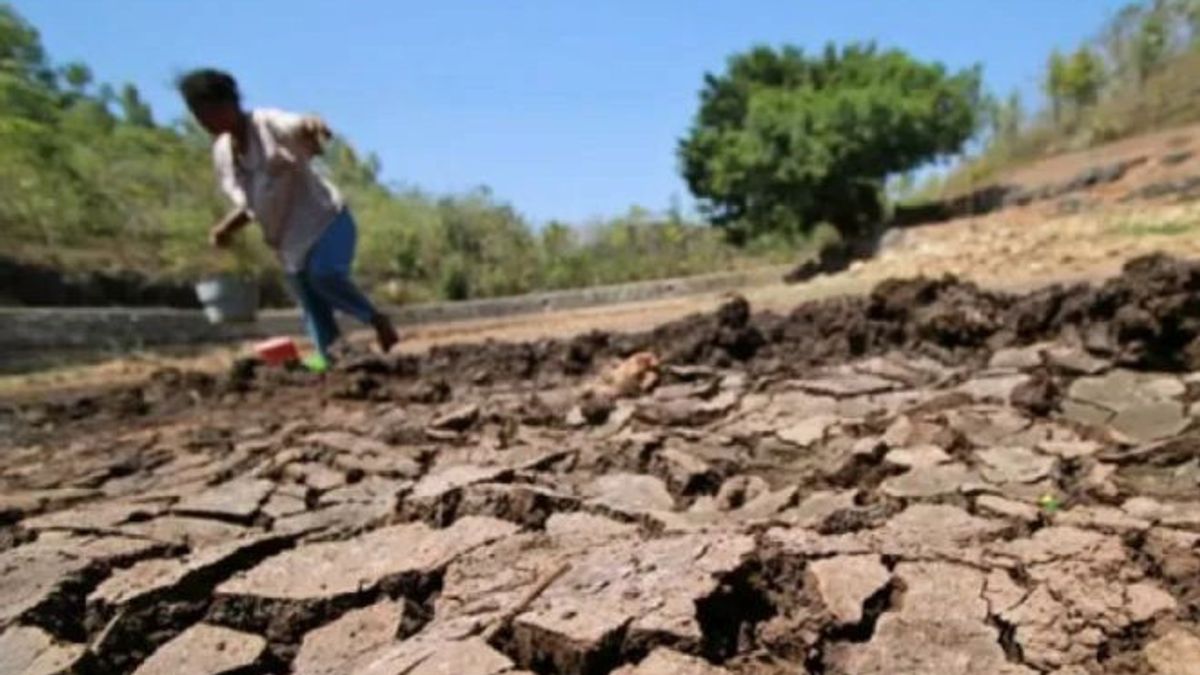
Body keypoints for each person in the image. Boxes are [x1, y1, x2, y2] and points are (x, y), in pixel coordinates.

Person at [177, 68, 398, 368]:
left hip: (326, 221)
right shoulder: (224, 155)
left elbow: (296, 124)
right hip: (287, 242)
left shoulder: (266, 123)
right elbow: (251, 204)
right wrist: (225, 229)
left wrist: (312, 124)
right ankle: (334, 363)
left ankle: (376, 319)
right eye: (197, 114)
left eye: (207, 111)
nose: (203, 121)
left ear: (229, 103)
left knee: (325, 275)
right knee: (313, 309)